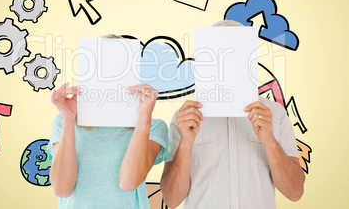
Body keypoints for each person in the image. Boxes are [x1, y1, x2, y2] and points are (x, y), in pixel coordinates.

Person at [160, 20, 305, 209]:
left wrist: (269, 140)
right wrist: (186, 142)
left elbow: (295, 192)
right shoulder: (185, 117)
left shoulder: (275, 114)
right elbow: (171, 199)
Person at [47, 37, 168, 208]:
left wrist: (144, 117)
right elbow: (62, 189)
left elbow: (128, 182)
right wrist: (68, 120)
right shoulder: (63, 122)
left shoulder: (154, 127)